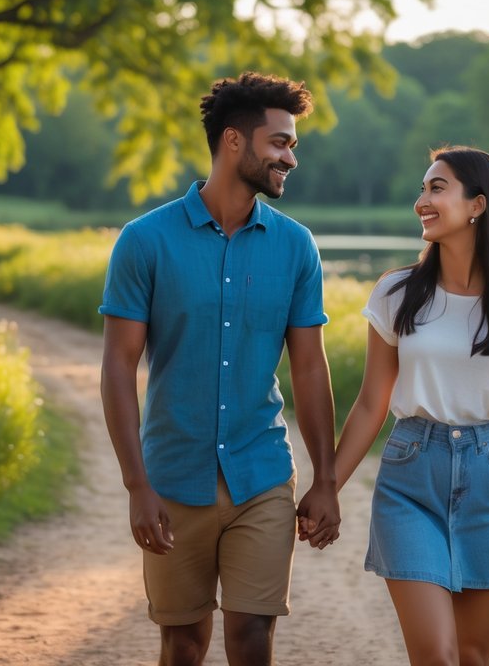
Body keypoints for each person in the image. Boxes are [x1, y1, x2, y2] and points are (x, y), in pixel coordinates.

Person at [98, 72, 340, 666]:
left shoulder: (295, 246)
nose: (290, 157)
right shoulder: (144, 241)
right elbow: (118, 364)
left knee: (253, 636)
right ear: (234, 141)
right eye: (280, 143)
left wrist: (326, 479)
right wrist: (137, 485)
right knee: (182, 642)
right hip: (173, 478)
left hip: (261, 475)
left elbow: (310, 369)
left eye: (292, 145)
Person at [331, 145, 489, 666]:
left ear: (478, 204)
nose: (422, 201)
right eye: (423, 188)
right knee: (436, 654)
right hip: (411, 478)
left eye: (437, 188)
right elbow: (372, 402)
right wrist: (328, 487)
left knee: (475, 655)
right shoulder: (397, 293)